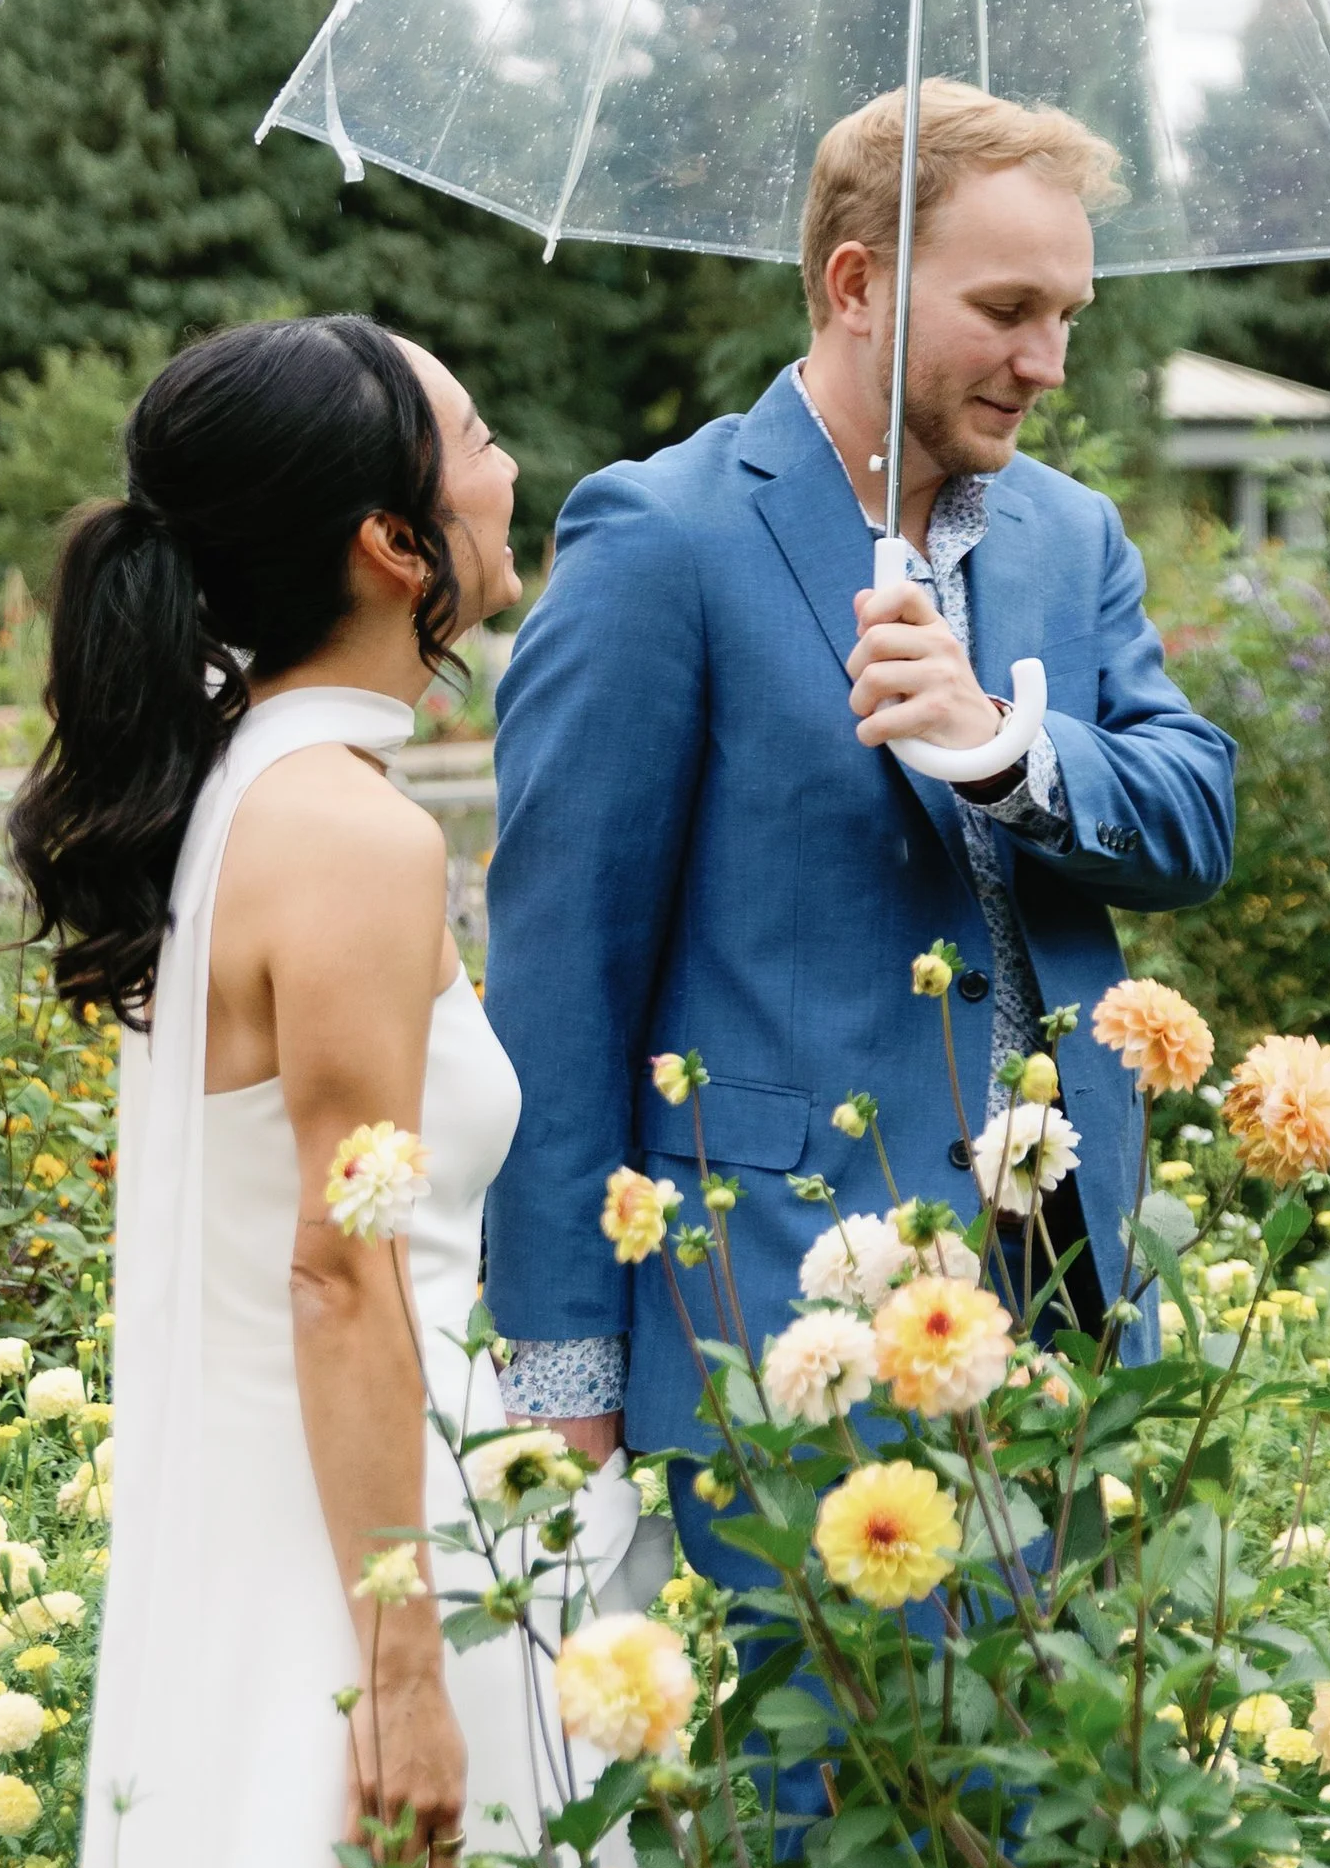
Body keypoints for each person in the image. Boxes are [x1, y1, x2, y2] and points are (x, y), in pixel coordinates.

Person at [24, 315, 633, 1868]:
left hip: (290, 1557)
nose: (503, 463)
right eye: (471, 438)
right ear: (390, 540)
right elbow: (335, 1277)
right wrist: (403, 1665)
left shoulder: (239, 797)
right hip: (363, 1575)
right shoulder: (350, 840)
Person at [483, 81, 1237, 1566]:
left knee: (1045, 1791)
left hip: (1073, 1327)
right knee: (811, 1797)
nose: (1049, 360)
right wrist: (563, 1372)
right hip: (780, 1327)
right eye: (1009, 307)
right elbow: (561, 984)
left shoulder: (1070, 535)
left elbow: (1196, 815)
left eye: (1069, 313)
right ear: (855, 283)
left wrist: (1005, 751)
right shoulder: (662, 540)